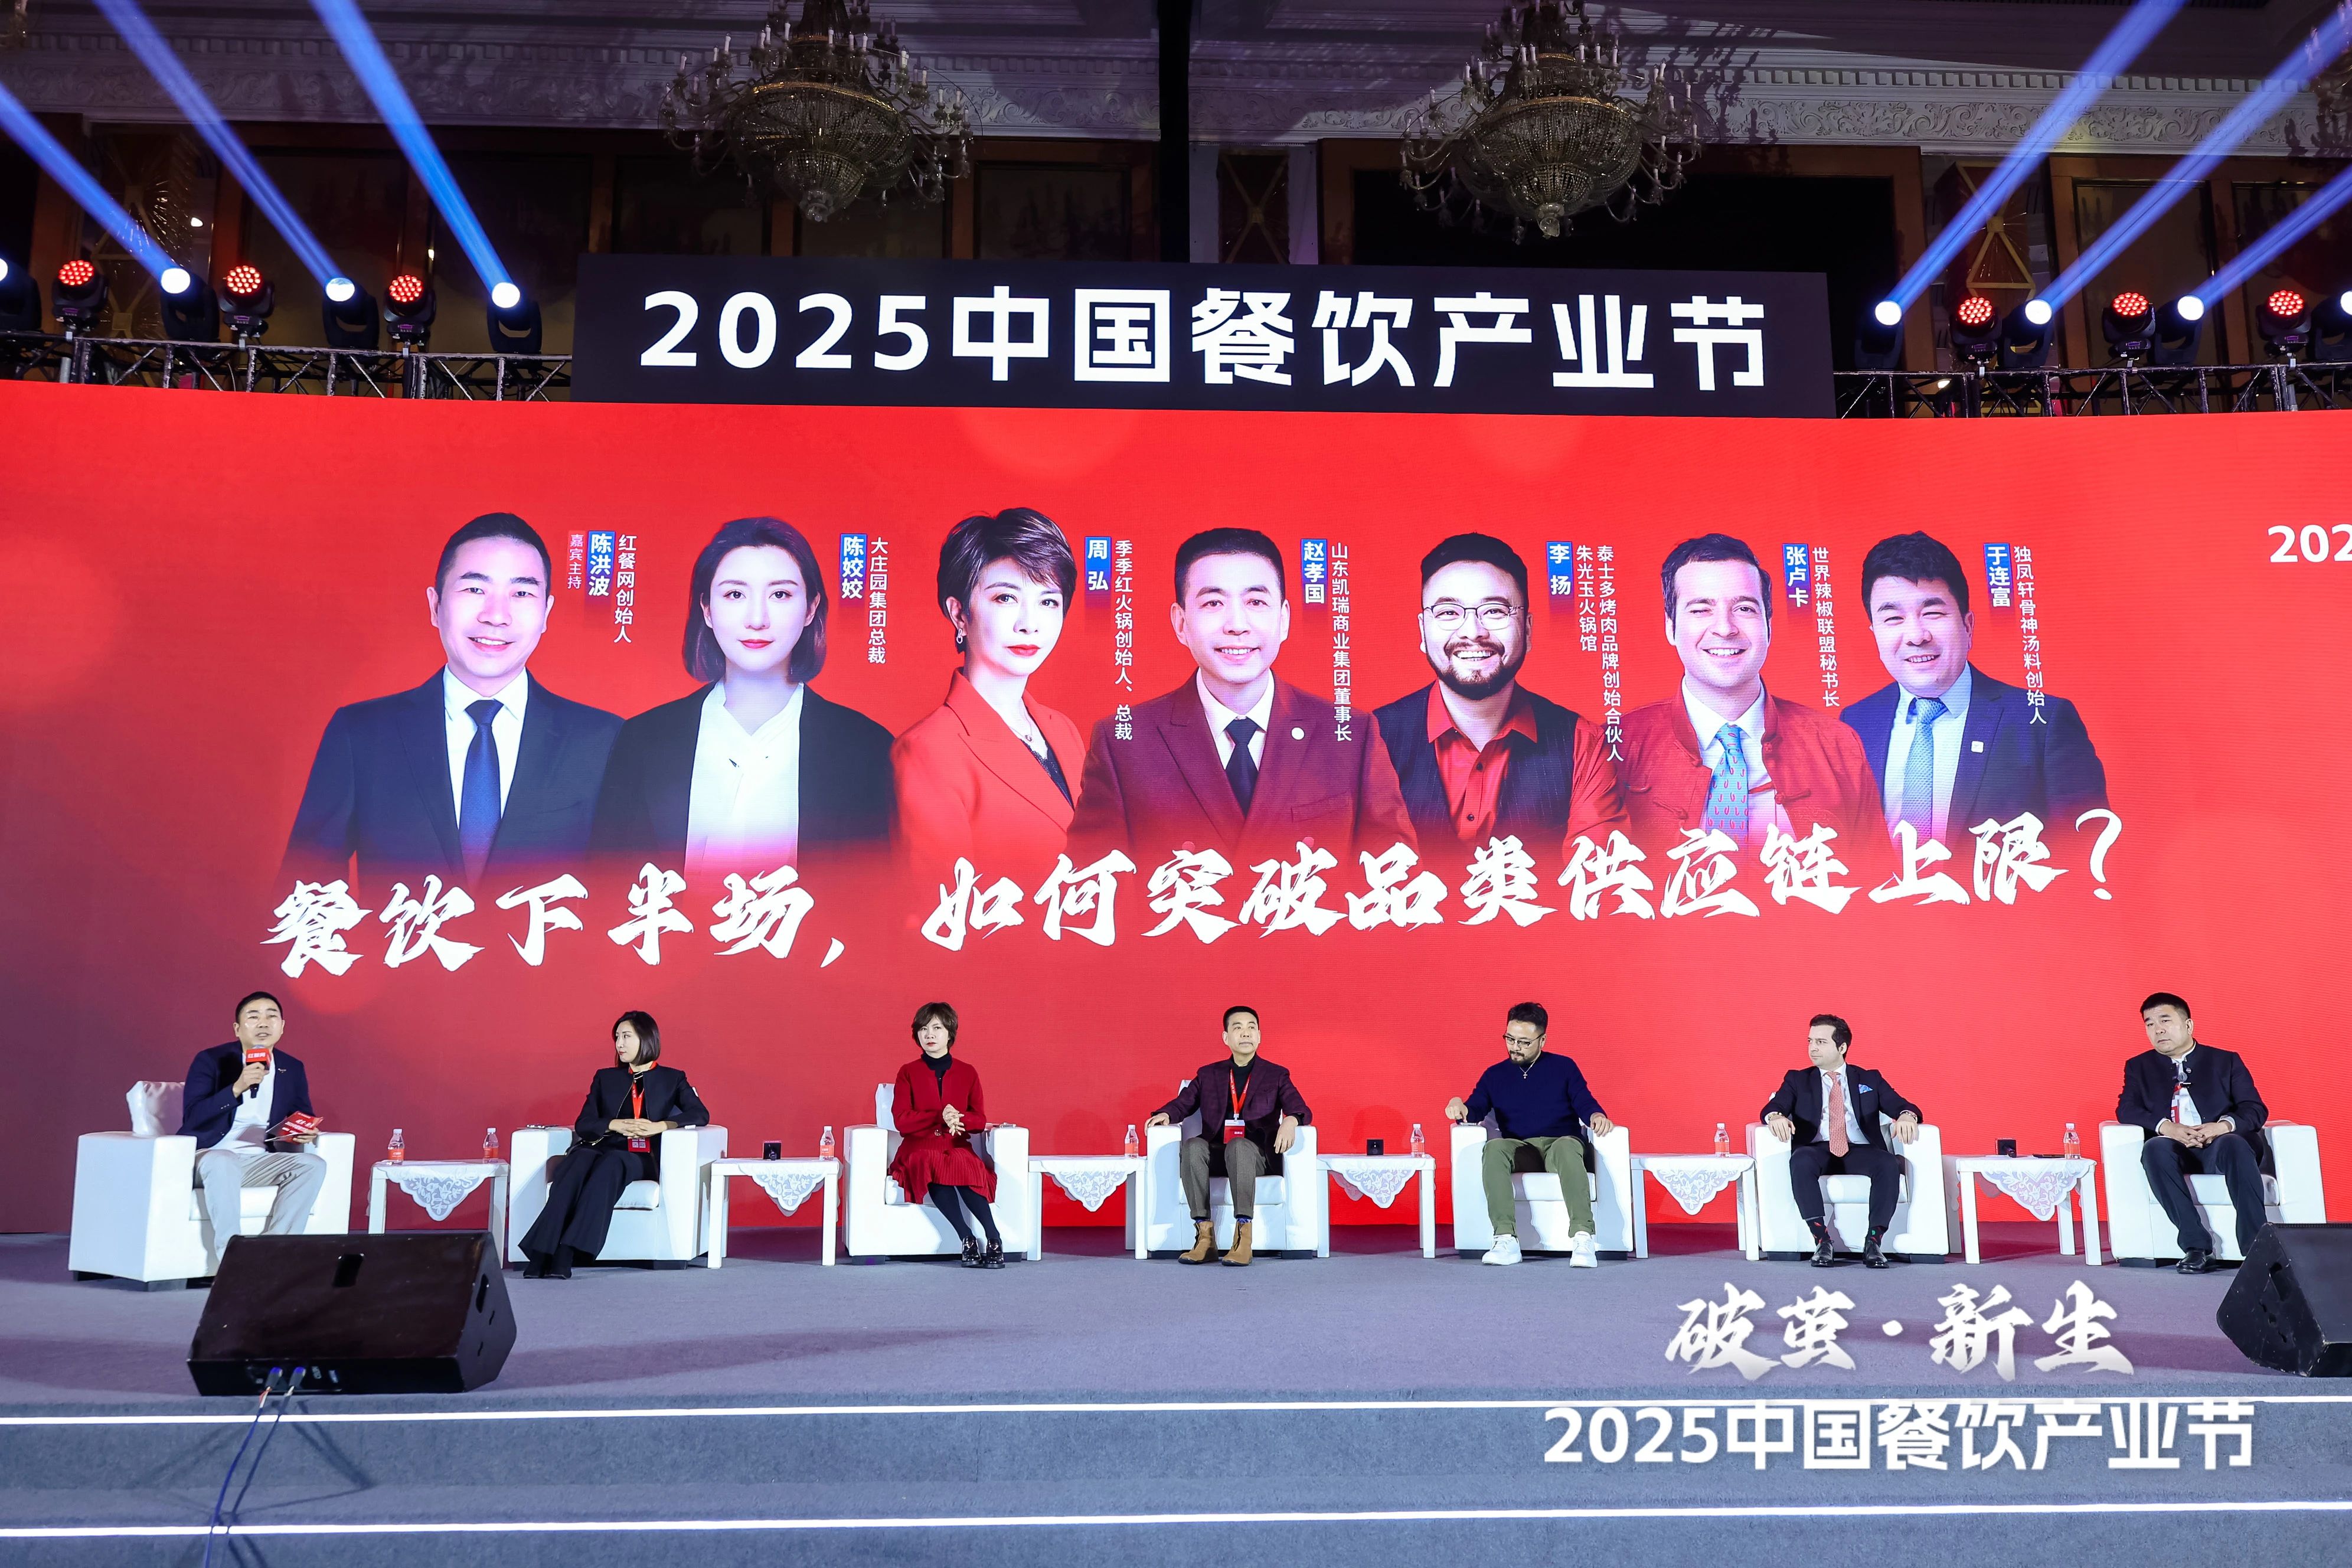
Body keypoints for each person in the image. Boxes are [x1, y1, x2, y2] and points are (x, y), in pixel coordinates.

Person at [283, 513, 623, 899]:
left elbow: (621, 895)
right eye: (475, 589)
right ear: (435, 605)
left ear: (546, 613)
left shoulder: (605, 741)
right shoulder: (360, 735)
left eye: (521, 594)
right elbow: (304, 895)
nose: (496, 616)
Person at [1069, 527, 1414, 867]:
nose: (1237, 625)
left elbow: (1396, 880)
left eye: (1256, 602)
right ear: (1181, 623)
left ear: (1284, 619)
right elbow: (1090, 884)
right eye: (1213, 603)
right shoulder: (1123, 744)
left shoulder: (1352, 736)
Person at [592, 517, 894, 874]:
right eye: (735, 594)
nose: (757, 619)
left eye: (780, 595)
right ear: (707, 609)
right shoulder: (642, 739)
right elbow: (607, 886)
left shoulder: (867, 748)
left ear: (811, 609)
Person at [1616, 534, 1886, 878]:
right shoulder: (1615, 748)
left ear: (1769, 626)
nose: (1725, 629)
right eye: (1701, 610)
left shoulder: (1838, 746)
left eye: (1744, 609)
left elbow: (1876, 887)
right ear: (1671, 627)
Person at [1842, 531, 2108, 845]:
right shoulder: (1854, 724)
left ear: (1968, 626)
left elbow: (2086, 853)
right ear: (1874, 632)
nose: (1916, 636)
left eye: (1932, 613)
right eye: (1893, 618)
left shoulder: (2042, 723)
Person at [1374, 534, 1625, 863]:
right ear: (1423, 631)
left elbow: (1596, 880)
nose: (1472, 632)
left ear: (1528, 630)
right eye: (1448, 613)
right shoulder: (1368, 743)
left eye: (1495, 611)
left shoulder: (1583, 744)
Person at [892, 509, 1087, 889]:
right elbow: (939, 910)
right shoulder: (928, 750)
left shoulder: (1063, 730)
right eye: (1005, 598)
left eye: (1048, 602)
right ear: (960, 614)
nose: (1029, 624)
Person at [518, 1011, 710, 1278]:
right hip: (599, 1146)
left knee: (611, 1164)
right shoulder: (605, 1078)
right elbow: (584, 1123)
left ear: (646, 1038)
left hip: (637, 1155)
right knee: (576, 1163)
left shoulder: (673, 1079)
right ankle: (541, 1253)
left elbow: (700, 1114)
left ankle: (567, 1252)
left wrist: (661, 1126)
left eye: (626, 1036)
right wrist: (613, 1124)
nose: (620, 1044)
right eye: (617, 1038)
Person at [1445, 1001, 1615, 1268]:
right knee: (1494, 1148)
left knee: (1568, 1147)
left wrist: (1596, 1115)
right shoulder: (1495, 1075)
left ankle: (1583, 1238)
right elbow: (1475, 1108)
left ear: (1542, 1040)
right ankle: (1505, 1239)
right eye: (1510, 1039)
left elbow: (1584, 1100)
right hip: (1522, 1148)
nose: (1515, 1047)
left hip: (1560, 1145)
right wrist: (1459, 1105)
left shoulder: (1564, 1067)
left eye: (1524, 1042)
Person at [1145, 1005, 1312, 1267]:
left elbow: (1300, 1108)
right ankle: (1204, 1238)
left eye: (1251, 1028)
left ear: (1259, 1036)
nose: (1245, 1033)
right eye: (1238, 1028)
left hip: (1254, 1157)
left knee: (1239, 1146)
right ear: (1226, 1037)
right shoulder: (1208, 1074)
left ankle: (1243, 1238)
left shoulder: (1276, 1075)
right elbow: (1183, 1103)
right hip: (1217, 1154)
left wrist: (1291, 1120)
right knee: (1193, 1146)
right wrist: (1165, 1114)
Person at [2118, 992, 2271, 1273]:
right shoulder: (2139, 1066)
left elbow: (2254, 1108)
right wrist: (2167, 1128)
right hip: (2176, 1150)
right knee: (2154, 1148)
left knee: (2234, 1144)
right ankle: (2196, 1248)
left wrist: (2221, 1127)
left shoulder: (2225, 1061)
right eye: (2150, 1024)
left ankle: (2257, 1248)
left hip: (2222, 1146)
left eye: (2165, 1021)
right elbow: (2126, 1109)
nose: (2158, 1030)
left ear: (2188, 1025)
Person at [179, 991, 328, 1272]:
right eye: (254, 1016)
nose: (263, 1023)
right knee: (222, 1160)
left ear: (282, 1027)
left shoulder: (291, 1067)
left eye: (272, 1016)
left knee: (312, 1164)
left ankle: (273, 1255)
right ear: (237, 1029)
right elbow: (193, 1117)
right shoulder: (211, 1060)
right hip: (209, 1156)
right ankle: (233, 1263)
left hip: (258, 1160)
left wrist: (303, 1132)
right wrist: (237, 1088)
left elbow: (301, 1114)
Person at [1762, 1014, 1921, 1269]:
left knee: (1888, 1163)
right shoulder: (1797, 1080)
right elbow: (1774, 1106)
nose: (1812, 1048)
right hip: (1817, 1149)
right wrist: (1775, 1117)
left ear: (1842, 1047)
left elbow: (1902, 1105)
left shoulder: (1869, 1079)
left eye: (1821, 1042)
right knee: (1800, 1160)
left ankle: (1874, 1242)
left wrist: (1906, 1116)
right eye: (1810, 1041)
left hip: (1858, 1150)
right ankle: (1822, 1241)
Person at [888, 1002, 1008, 1269]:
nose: (929, 1035)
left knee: (966, 1164)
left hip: (955, 1144)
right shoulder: (908, 1072)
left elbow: (980, 1119)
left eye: (937, 1028)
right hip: (919, 1146)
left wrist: (958, 1119)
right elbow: (902, 1120)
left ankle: (994, 1237)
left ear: (950, 1033)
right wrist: (939, 1116)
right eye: (923, 1029)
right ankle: (966, 1237)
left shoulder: (968, 1072)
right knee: (931, 1161)